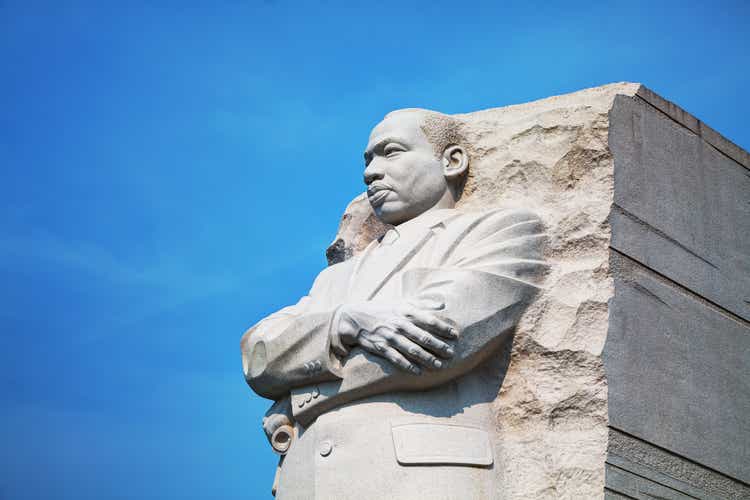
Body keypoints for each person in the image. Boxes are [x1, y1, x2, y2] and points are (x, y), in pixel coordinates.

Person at [241, 108, 547, 499]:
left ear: (452, 161)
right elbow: (259, 353)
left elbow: (436, 345)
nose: (371, 172)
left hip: (420, 477)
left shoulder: (500, 233)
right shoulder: (333, 279)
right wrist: (342, 324)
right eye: (367, 160)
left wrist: (297, 394)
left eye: (391, 152)